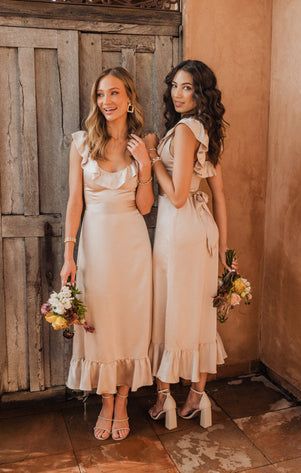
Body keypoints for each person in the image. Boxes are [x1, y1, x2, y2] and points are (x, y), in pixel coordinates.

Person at [61, 67, 154, 441]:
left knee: (130, 322)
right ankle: (105, 399)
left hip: (132, 246)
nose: (107, 102)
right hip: (94, 247)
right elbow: (74, 203)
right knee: (98, 322)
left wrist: (144, 166)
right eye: (101, 95)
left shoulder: (141, 143)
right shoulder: (82, 143)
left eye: (114, 94)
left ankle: (123, 399)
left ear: (129, 99)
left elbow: (146, 208)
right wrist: (69, 255)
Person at [148, 59, 235, 430]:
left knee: (169, 308)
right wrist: (225, 255)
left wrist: (153, 158)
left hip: (179, 227)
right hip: (203, 233)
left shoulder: (185, 131)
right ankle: (198, 396)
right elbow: (219, 196)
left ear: (201, 94)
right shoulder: (206, 130)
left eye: (188, 88)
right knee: (199, 309)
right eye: (176, 86)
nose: (178, 93)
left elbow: (178, 196)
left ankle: (164, 397)